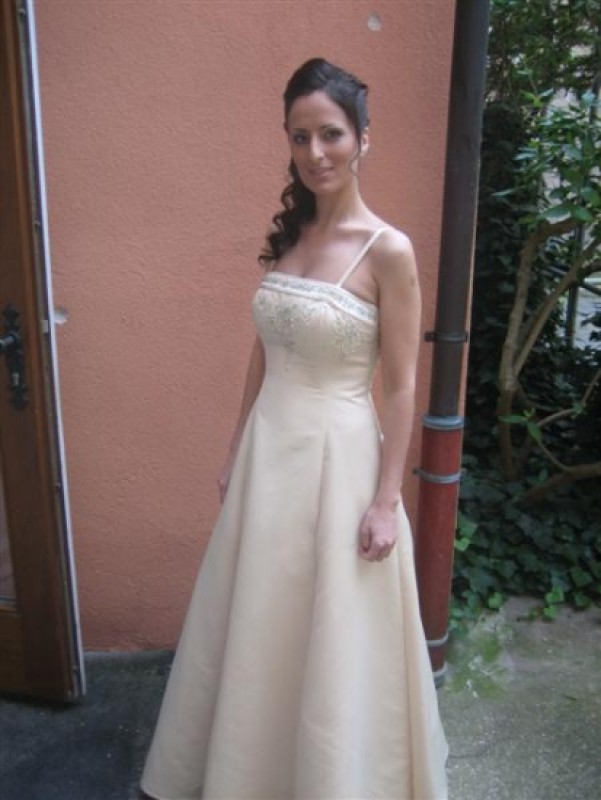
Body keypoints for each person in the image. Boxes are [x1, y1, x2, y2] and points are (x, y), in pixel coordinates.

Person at [141, 57, 448, 800]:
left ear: (363, 137)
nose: (315, 152)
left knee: (329, 631)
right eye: (299, 136)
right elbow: (263, 353)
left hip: (338, 463)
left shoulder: (388, 250)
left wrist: (386, 501)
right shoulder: (293, 235)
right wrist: (234, 449)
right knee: (260, 625)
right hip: (267, 457)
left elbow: (401, 385)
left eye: (331, 134)